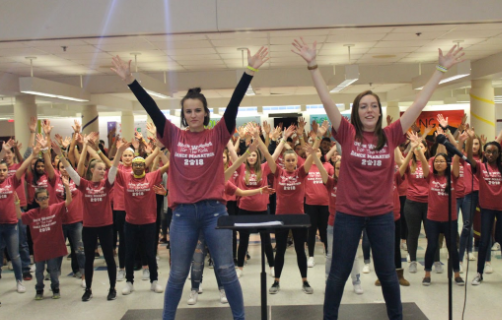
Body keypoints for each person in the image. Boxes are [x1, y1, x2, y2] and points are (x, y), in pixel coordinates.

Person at [292, 36, 464, 319]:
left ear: (379, 111)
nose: (369, 110)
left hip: (383, 216)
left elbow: (419, 103)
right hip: (348, 215)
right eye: (363, 106)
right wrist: (313, 65)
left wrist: (440, 70)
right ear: (356, 112)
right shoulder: (346, 133)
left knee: (387, 275)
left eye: (373, 106)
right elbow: (326, 100)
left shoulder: (392, 134)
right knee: (338, 274)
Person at [111, 47, 269, 320]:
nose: (194, 115)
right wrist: (130, 81)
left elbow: (234, 103)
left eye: (198, 110)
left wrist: (249, 71)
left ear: (206, 113)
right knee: (177, 275)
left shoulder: (219, 133)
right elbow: (151, 107)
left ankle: (240, 317)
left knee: (227, 271)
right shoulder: (173, 135)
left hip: (214, 213)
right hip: (182, 215)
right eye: (189, 111)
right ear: (183, 115)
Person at [52, 137, 130, 301]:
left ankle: (112, 288)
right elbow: (70, 170)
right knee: (88, 260)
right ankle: (88, 289)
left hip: (106, 226)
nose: (102, 171)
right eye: (99, 169)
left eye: (103, 169)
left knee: (109, 258)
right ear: (92, 170)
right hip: (88, 227)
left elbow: (114, 167)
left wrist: (120, 152)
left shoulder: (106, 184)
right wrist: (59, 153)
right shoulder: (84, 184)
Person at [268, 121, 326, 295]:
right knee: (281, 251)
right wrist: (283, 140)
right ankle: (276, 282)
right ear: (284, 162)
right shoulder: (278, 172)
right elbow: (271, 157)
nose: (291, 162)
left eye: (293, 159)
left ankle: (305, 281)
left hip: (299, 218)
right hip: (281, 218)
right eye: (288, 160)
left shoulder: (301, 172)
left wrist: (319, 137)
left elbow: (311, 155)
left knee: (301, 250)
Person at [117, 153, 169, 295]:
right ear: (132, 167)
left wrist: (166, 148)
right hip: (131, 223)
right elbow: (112, 167)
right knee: (129, 254)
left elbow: (167, 165)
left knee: (150, 254)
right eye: (136, 165)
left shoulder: (151, 177)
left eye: (141, 164)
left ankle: (154, 281)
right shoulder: (126, 177)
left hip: (149, 222)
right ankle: (129, 282)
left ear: (145, 166)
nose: (139, 167)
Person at [16, 174, 73, 300]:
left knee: (53, 271)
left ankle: (55, 288)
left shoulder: (55, 208)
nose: (43, 200)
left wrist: (67, 187)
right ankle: (39, 289)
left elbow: (68, 201)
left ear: (48, 198)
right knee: (39, 273)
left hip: (52, 249)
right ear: (36, 200)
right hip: (39, 250)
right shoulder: (32, 214)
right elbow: (19, 215)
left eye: (45, 197)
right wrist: (16, 201)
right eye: (40, 198)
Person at [39, 135, 86, 288]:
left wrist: (81, 145)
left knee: (79, 250)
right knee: (58, 250)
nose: (64, 170)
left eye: (66, 167)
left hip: (76, 220)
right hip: (59, 221)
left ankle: (84, 275)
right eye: (61, 167)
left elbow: (81, 161)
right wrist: (45, 150)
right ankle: (54, 276)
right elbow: (47, 165)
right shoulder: (55, 179)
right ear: (57, 169)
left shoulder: (76, 179)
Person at [420, 139, 464, 286]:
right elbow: (423, 161)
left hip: (450, 219)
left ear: (447, 163)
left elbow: (457, 157)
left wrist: (460, 143)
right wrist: (417, 147)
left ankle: (456, 274)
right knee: (432, 245)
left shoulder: (453, 175)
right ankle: (427, 274)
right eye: (436, 161)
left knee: (452, 247)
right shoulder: (430, 176)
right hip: (432, 219)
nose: (438, 163)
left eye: (441, 161)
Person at [0, 140, 39, 293]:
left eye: (4, 170)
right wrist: (3, 152)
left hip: (11, 224)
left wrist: (33, 155)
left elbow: (22, 166)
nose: (2, 172)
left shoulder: (12, 181)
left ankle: (19, 280)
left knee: (15, 255)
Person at [466, 129, 502, 285]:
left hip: (501, 209)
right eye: (488, 151)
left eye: (494, 152)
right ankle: (479, 273)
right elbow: (468, 157)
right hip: (487, 208)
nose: (491, 154)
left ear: (498, 154)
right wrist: (470, 139)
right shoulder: (480, 166)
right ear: (484, 153)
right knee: (484, 241)